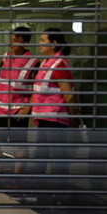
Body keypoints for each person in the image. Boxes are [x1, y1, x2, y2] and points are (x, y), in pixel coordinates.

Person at [30, 28, 77, 201]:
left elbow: (69, 95)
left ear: (54, 44)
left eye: (43, 40)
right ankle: (39, 194)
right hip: (44, 118)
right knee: (41, 156)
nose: (40, 44)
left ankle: (60, 195)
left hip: (55, 119)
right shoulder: (46, 63)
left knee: (57, 159)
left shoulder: (59, 64)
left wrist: (74, 118)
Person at [0, 26, 38, 184]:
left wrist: (27, 108)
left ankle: (17, 177)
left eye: (16, 40)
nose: (12, 42)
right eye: (11, 38)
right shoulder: (6, 57)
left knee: (20, 145)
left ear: (25, 42)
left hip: (18, 111)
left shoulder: (33, 63)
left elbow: (37, 89)